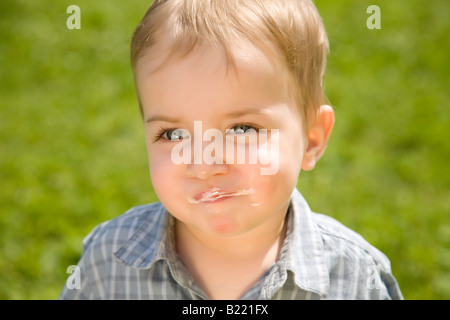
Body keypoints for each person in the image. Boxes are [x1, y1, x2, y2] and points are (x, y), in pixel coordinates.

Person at [60, 0, 403, 299]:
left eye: (242, 129)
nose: (205, 165)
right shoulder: (110, 259)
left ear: (311, 139)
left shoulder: (356, 276)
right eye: (174, 134)